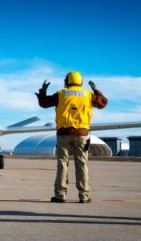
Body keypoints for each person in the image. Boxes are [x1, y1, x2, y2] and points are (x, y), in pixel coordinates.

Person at [35, 71, 107, 203]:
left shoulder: (61, 94)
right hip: (81, 134)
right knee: (82, 164)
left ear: (67, 81)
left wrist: (43, 91)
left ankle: (60, 195)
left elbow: (44, 103)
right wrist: (96, 89)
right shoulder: (88, 94)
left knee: (62, 164)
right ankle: (84, 196)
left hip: (63, 134)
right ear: (80, 82)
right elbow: (103, 103)